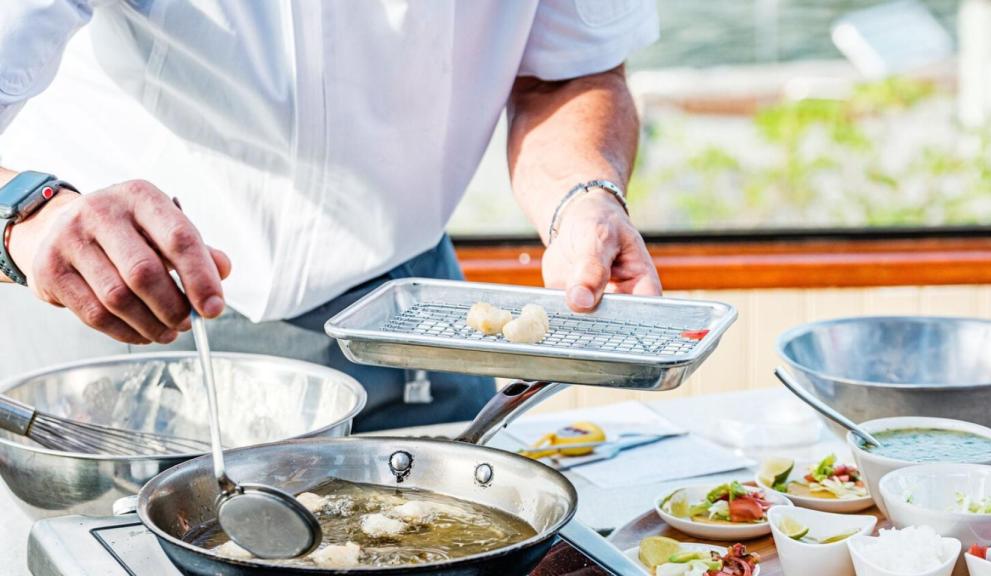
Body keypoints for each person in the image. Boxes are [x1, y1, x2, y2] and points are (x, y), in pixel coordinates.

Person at [0, 1, 663, 431]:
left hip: (404, 334)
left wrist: (584, 196)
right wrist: (27, 216)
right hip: (109, 326)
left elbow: (568, 75)